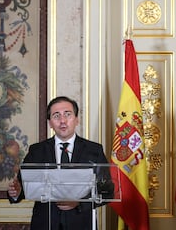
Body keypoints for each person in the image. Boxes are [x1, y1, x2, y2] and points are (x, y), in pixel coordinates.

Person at [7, 96, 111, 230]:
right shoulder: (36, 150)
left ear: (77, 119)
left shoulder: (94, 150)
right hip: (45, 224)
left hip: (81, 224)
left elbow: (107, 191)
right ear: (50, 123)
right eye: (56, 116)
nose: (62, 120)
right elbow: (22, 185)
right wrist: (15, 192)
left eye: (67, 114)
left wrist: (79, 203)